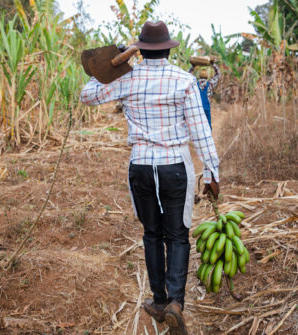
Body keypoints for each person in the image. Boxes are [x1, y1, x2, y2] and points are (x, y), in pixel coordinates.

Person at [80, 21, 220, 335]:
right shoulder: (183, 80)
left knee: (152, 235)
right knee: (178, 235)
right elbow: (201, 134)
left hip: (141, 167)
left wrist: (115, 61)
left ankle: (159, 301)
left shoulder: (126, 78)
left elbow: (86, 95)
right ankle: (175, 304)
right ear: (169, 48)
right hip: (174, 167)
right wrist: (212, 172)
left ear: (140, 49)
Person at [188, 60, 220, 129]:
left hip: (197, 108)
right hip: (206, 108)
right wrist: (213, 64)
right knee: (207, 125)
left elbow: (188, 75)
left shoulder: (195, 83)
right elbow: (218, 74)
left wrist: (193, 66)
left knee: (197, 126)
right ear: (207, 76)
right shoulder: (210, 84)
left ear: (199, 76)